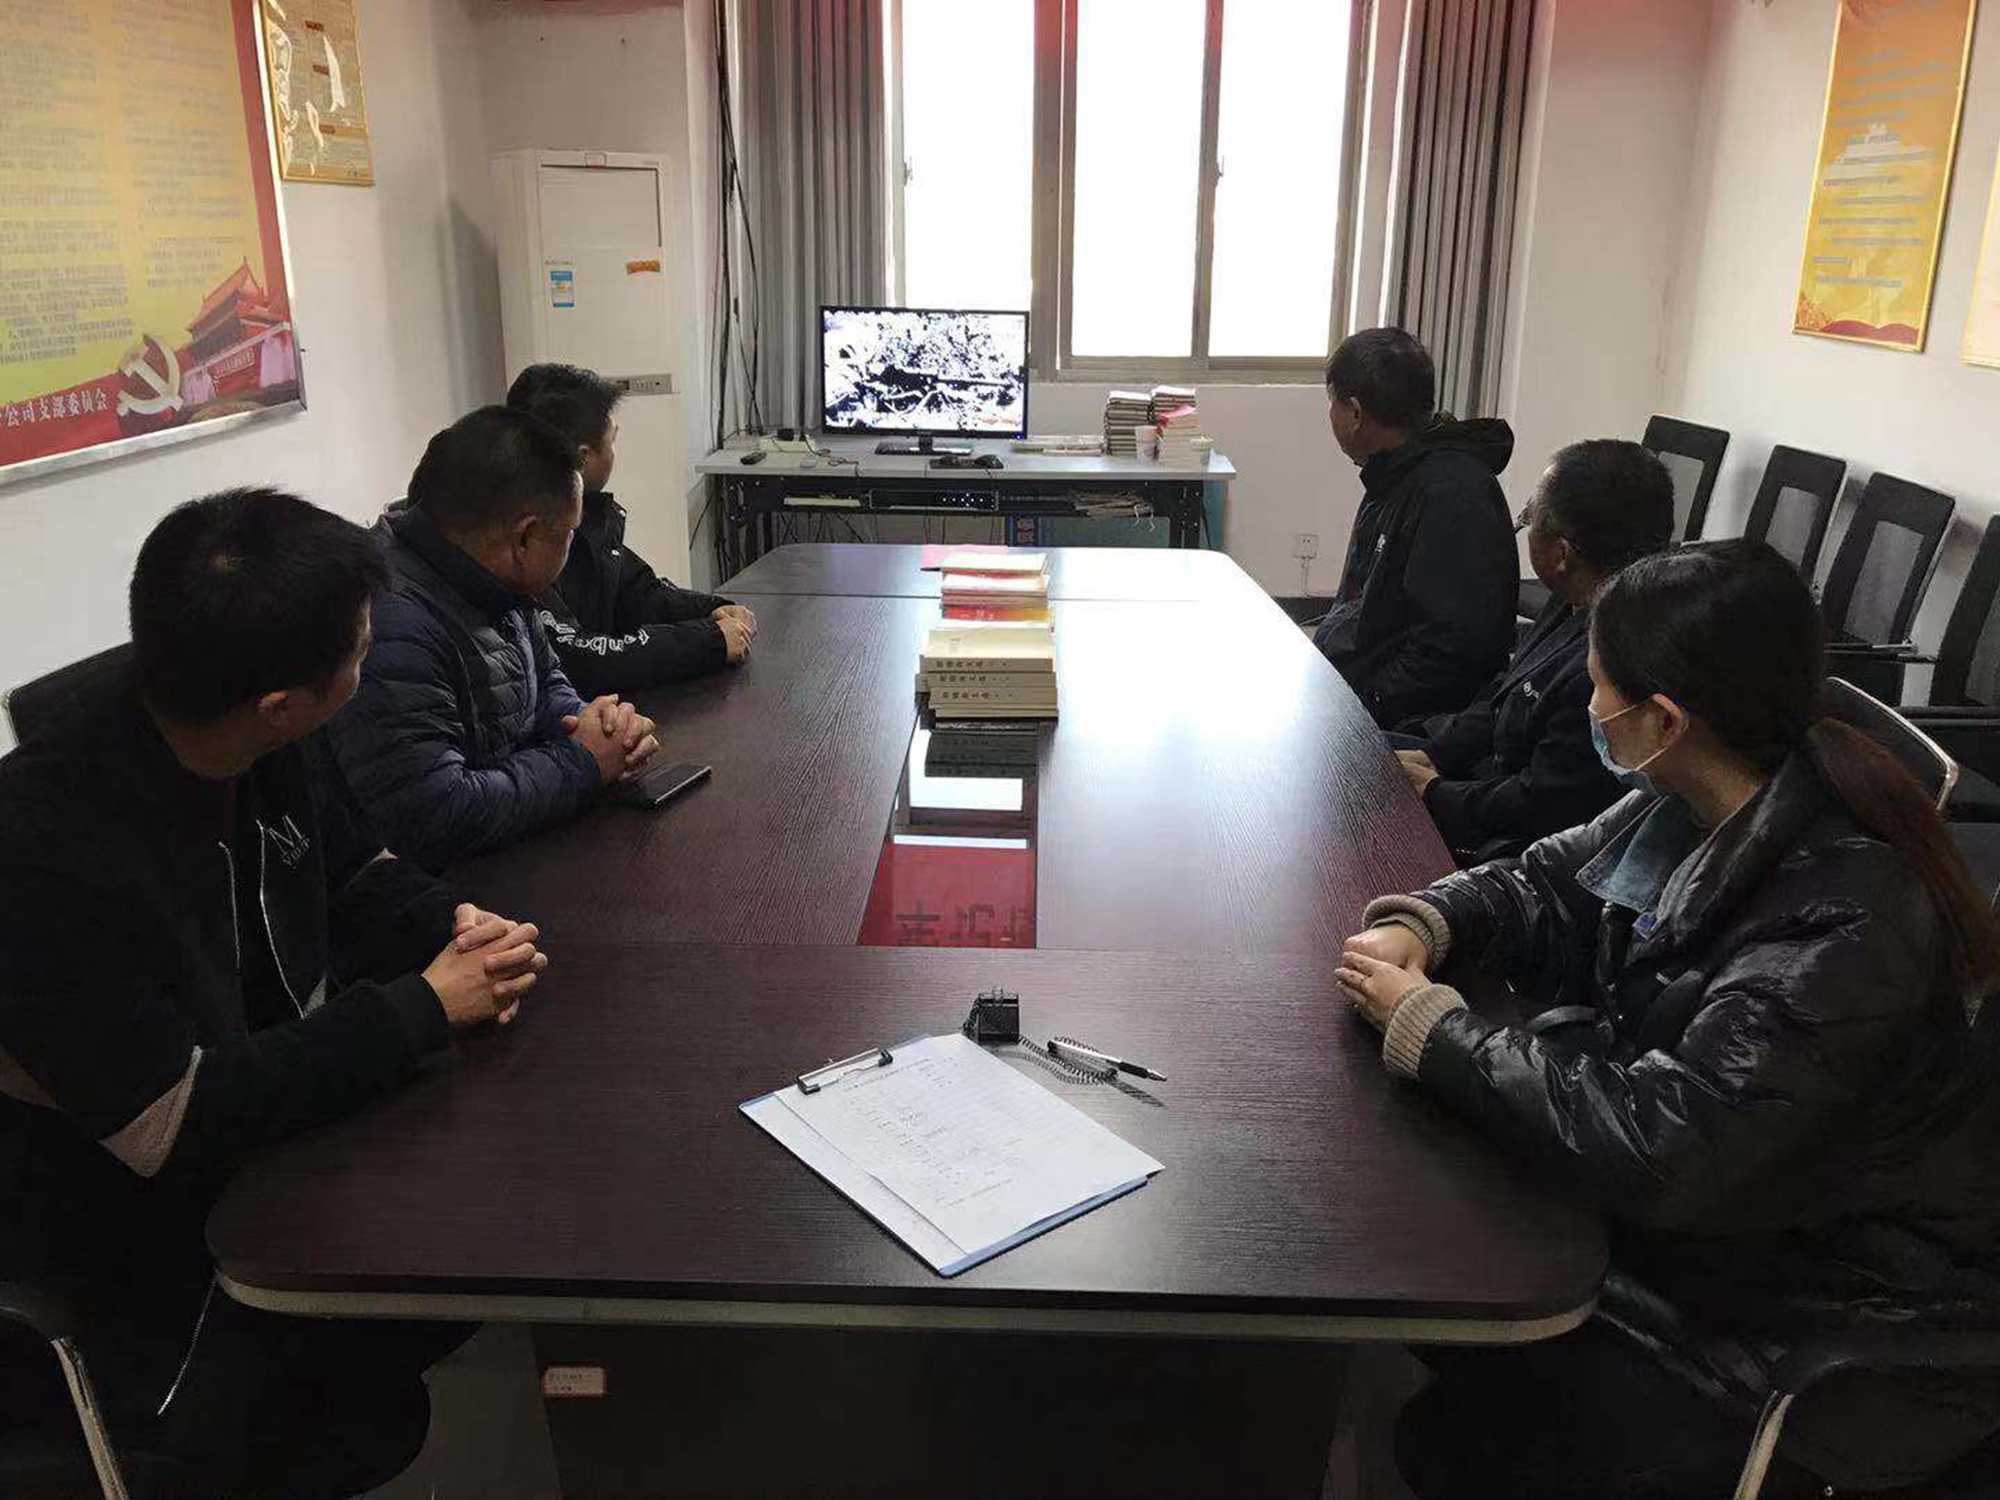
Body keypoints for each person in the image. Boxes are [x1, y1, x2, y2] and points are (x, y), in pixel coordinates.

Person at [1336, 540, 2000, 1497]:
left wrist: (1435, 1031)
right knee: (1433, 1282)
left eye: (1599, 687)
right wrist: (1425, 924)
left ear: (1664, 719)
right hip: (1736, 1234)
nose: (1589, 706)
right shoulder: (1703, 793)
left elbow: (1669, 1149)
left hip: (1820, 1325)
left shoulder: (1844, 919)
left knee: (1449, 1400)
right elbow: (1542, 881)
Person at [0, 490, 549, 1498]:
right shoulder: (43, 848)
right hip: (148, 1248)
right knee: (466, 1285)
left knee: (511, 1221)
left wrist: (455, 927)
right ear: (282, 705)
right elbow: (165, 1123)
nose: (370, 656)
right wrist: (422, 1008)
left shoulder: (255, 731)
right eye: (360, 650)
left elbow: (352, 870)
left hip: (282, 1146)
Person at [325, 405, 661, 872]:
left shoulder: (489, 576)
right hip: (446, 892)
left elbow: (544, 682)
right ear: (524, 539)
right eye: (569, 533)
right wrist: (584, 762)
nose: (573, 545)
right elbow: (434, 816)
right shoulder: (390, 622)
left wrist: (597, 726)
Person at [1391, 439, 1675, 864]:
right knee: (1360, 757)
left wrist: (1435, 793)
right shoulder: (1573, 596)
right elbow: (1506, 693)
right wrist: (1436, 754)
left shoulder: (1611, 663)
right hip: (1483, 778)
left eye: (1530, 518)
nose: (1526, 527)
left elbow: (1543, 804)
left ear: (1561, 554)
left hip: (1517, 846)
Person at [506, 361, 757, 690]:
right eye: (612, 440)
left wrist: (715, 610)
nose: (615, 451)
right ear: (582, 458)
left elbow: (641, 595)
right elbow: (580, 659)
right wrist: (709, 641)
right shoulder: (528, 537)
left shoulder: (586, 517)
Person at [1312, 327, 1517, 728]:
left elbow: (1448, 651)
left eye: (1331, 401)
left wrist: (1363, 706)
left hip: (1411, 721)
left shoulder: (1451, 495)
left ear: (1355, 413)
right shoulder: (1397, 473)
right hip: (1364, 691)